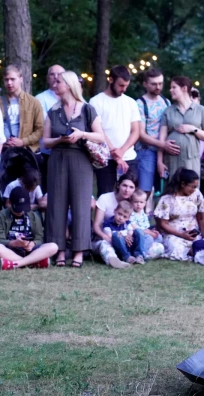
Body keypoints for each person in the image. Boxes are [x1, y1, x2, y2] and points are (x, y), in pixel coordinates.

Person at [43, 71, 106, 268]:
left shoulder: (87, 109)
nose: (55, 83)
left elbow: (101, 137)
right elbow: (45, 141)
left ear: (69, 85)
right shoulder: (53, 111)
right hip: (58, 159)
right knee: (57, 205)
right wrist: (60, 139)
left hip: (81, 160)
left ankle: (79, 251)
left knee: (80, 205)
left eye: (59, 81)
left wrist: (82, 134)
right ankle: (59, 250)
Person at [89, 66, 141, 196]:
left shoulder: (131, 102)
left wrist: (122, 151)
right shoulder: (96, 101)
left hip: (129, 157)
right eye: (120, 85)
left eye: (126, 86)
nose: (123, 89)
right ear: (110, 80)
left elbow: (136, 131)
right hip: (105, 158)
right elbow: (98, 130)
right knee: (105, 196)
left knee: (129, 198)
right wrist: (115, 154)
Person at [157, 76, 204, 181]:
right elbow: (162, 138)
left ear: (184, 88)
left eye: (174, 87)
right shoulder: (168, 111)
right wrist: (159, 161)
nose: (170, 90)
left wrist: (193, 129)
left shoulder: (201, 110)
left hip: (191, 161)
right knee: (172, 191)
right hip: (171, 160)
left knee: (190, 190)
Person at [0, 186, 58, 270]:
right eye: (18, 208)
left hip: (31, 250)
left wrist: (33, 244)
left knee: (53, 246)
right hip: (11, 251)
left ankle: (15, 264)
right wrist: (13, 243)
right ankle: (33, 262)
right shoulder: (1, 216)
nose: (21, 211)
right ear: (10, 203)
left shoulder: (33, 216)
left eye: (23, 208)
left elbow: (39, 238)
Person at [154, 168, 204, 261]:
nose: (194, 190)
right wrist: (181, 234)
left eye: (196, 187)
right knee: (176, 248)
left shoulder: (197, 194)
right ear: (183, 184)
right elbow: (163, 223)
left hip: (193, 233)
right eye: (192, 187)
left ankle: (193, 250)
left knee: (202, 244)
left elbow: (200, 216)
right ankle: (191, 252)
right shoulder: (167, 199)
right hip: (173, 233)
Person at [136, 68, 173, 198]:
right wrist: (162, 144)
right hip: (146, 151)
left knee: (165, 191)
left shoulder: (166, 102)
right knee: (144, 191)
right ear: (145, 84)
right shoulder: (140, 104)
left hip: (165, 151)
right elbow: (140, 134)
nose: (158, 87)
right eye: (154, 84)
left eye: (160, 83)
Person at [92, 173, 138, 269]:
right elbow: (96, 225)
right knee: (104, 246)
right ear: (118, 185)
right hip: (105, 239)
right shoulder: (105, 198)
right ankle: (114, 260)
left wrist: (130, 236)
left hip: (125, 240)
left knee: (158, 247)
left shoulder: (133, 203)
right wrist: (105, 237)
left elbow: (133, 227)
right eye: (124, 185)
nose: (127, 190)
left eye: (131, 187)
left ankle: (134, 256)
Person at [0, 65, 45, 153]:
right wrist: (2, 142)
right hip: (2, 150)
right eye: (6, 79)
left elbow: (40, 129)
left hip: (25, 151)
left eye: (12, 79)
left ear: (21, 79)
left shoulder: (33, 102)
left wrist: (23, 142)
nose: (9, 83)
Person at [35, 64, 65, 184]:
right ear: (48, 78)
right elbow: (41, 124)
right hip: (48, 152)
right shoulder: (40, 99)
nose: (56, 77)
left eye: (59, 75)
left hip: (68, 152)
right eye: (52, 74)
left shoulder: (74, 98)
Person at [102, 200, 146, 265]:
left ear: (128, 218)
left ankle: (139, 255)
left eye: (125, 216)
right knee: (116, 235)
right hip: (118, 246)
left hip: (129, 244)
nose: (121, 218)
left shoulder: (127, 223)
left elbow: (130, 231)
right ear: (115, 211)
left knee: (139, 231)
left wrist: (129, 235)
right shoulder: (108, 223)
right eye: (119, 214)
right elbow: (110, 236)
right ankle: (127, 257)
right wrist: (125, 236)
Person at [129, 189, 164, 259]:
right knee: (150, 238)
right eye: (136, 202)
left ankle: (146, 248)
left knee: (159, 237)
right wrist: (149, 233)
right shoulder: (131, 213)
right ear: (131, 202)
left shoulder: (142, 213)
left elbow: (147, 227)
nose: (138, 204)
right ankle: (139, 254)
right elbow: (135, 228)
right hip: (137, 235)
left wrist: (152, 231)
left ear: (145, 203)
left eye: (141, 202)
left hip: (145, 233)